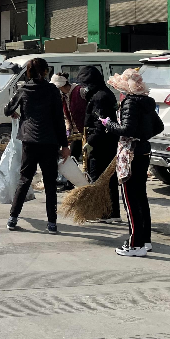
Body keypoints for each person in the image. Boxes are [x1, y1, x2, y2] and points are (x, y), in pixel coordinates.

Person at [4, 58, 70, 234]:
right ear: (46, 71)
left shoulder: (23, 90)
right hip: (49, 142)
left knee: (24, 179)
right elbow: (59, 120)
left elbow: (7, 109)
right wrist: (65, 145)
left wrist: (15, 113)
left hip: (29, 141)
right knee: (50, 183)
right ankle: (52, 223)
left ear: (28, 72)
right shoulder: (52, 91)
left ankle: (12, 219)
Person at [103, 68, 163, 257]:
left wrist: (108, 125)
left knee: (130, 200)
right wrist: (143, 136)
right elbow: (159, 126)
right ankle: (145, 241)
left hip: (130, 153)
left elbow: (127, 129)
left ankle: (135, 245)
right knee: (141, 197)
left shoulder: (130, 102)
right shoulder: (146, 102)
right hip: (143, 151)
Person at [75, 65, 121, 224]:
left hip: (102, 144)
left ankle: (104, 213)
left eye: (85, 84)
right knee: (108, 179)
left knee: (99, 179)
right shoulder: (102, 94)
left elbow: (102, 124)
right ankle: (112, 213)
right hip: (106, 142)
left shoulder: (100, 97)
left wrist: (91, 142)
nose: (83, 88)